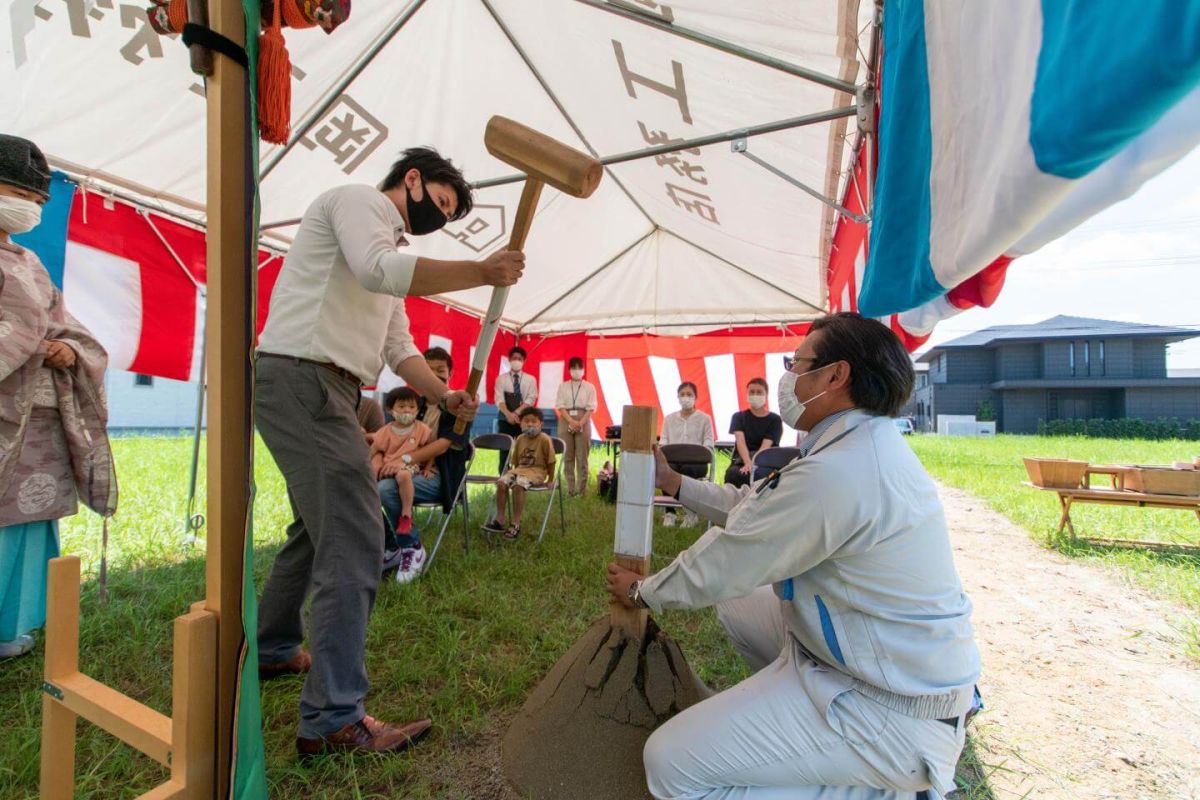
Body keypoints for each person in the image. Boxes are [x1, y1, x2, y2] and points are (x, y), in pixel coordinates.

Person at [605, 313, 980, 800]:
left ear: (835, 375)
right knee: (741, 606)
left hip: (890, 710)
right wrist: (675, 483)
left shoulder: (840, 471)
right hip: (872, 667)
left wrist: (642, 591)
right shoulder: (857, 445)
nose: (788, 379)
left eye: (796, 363)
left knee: (670, 765)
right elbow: (755, 509)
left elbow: (732, 557)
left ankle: (881, 789)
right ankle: (799, 733)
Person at [253, 146, 524, 758]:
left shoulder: (387, 248)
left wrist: (445, 396)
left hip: (326, 385)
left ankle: (271, 648)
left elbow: (398, 348)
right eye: (443, 203)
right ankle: (332, 720)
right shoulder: (359, 205)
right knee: (355, 536)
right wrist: (481, 271)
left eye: (452, 215)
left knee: (316, 526)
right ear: (413, 180)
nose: (443, 217)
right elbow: (378, 268)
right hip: (305, 377)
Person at [0, 134, 117, 660]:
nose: (32, 208)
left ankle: (11, 626)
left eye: (39, 201)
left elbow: (67, 328)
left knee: (28, 521)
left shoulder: (27, 262)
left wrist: (67, 350)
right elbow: (26, 327)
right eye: (20, 193)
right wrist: (30, 338)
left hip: (38, 421)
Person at [378, 346, 473, 583]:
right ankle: (390, 547)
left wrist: (405, 459)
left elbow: (444, 444)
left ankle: (412, 547)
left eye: (441, 370)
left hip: (440, 477)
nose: (435, 377)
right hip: (407, 471)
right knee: (364, 485)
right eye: (428, 371)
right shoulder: (411, 404)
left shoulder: (458, 407)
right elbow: (389, 435)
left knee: (386, 489)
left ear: (450, 373)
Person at [371, 387, 432, 568]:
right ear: (391, 409)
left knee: (404, 475)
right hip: (386, 466)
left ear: (418, 410)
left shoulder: (421, 429)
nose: (407, 411)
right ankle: (381, 533)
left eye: (411, 407)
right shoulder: (385, 431)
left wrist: (428, 468)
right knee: (370, 486)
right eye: (402, 406)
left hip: (408, 465)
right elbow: (374, 449)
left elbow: (430, 450)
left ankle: (406, 515)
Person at [483, 408, 554, 541]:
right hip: (520, 470)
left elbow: (551, 461)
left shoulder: (545, 439)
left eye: (534, 421)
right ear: (520, 423)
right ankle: (499, 519)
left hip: (537, 472)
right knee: (501, 482)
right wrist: (511, 476)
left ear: (541, 424)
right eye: (526, 421)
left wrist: (550, 479)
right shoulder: (520, 438)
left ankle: (515, 523)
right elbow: (515, 462)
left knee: (518, 486)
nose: (530, 424)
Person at [659, 381, 714, 528]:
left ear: (695, 397)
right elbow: (663, 442)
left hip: (696, 463)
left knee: (688, 471)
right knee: (666, 470)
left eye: (689, 394)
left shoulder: (705, 419)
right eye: (682, 394)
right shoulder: (669, 419)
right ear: (677, 397)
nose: (685, 397)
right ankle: (669, 512)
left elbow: (709, 444)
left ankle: (690, 513)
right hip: (673, 462)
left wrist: (698, 454)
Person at [725, 377, 782, 487]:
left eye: (759, 392)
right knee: (734, 474)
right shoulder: (738, 417)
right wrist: (747, 463)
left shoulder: (775, 420)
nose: (755, 395)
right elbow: (740, 441)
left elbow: (766, 446)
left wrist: (754, 463)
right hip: (742, 460)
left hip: (765, 461)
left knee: (761, 475)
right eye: (752, 392)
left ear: (766, 395)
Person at [553, 357, 596, 497]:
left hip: (583, 417)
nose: (576, 371)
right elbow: (560, 406)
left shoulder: (590, 387)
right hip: (566, 419)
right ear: (569, 370)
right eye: (574, 368)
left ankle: (581, 491)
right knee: (568, 456)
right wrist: (571, 421)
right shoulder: (563, 386)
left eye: (579, 368)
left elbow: (591, 407)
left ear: (583, 369)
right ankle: (570, 490)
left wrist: (580, 422)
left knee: (582, 456)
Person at [494, 345, 537, 474]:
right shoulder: (501, 379)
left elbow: (531, 398)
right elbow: (499, 399)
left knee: (524, 451)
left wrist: (517, 413)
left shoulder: (530, 379)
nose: (516, 360)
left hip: (523, 420)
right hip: (504, 419)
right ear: (509, 359)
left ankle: (521, 478)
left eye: (519, 358)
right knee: (504, 452)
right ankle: (503, 479)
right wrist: (508, 414)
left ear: (523, 361)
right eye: (514, 358)